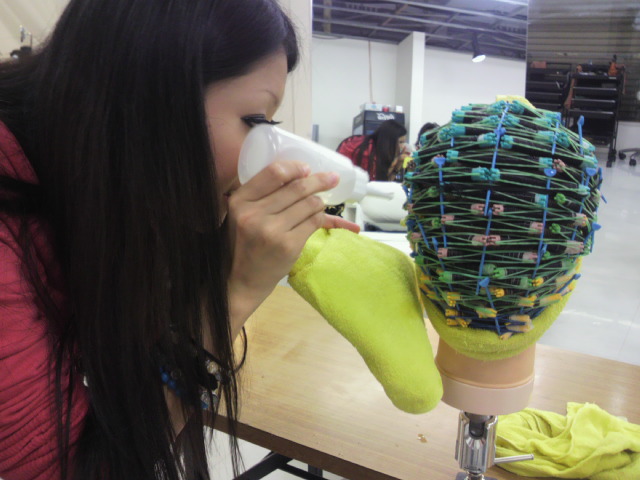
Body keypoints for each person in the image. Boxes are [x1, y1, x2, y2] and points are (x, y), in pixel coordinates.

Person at [0, 1, 358, 479]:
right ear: (147, 93)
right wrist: (236, 290)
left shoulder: (93, 195)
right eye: (255, 121)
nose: (270, 160)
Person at [336, 119, 408, 182]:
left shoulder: (377, 148)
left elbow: (385, 182)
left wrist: (398, 164)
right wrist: (394, 163)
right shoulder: (368, 152)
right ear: (389, 141)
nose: (403, 146)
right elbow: (378, 184)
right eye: (400, 142)